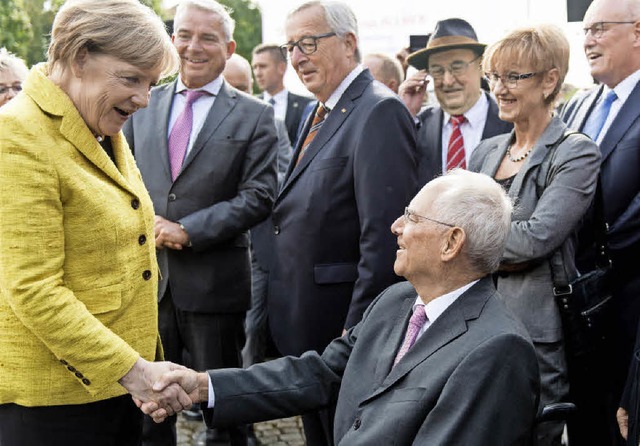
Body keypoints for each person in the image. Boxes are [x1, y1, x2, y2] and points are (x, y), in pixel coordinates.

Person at [142, 169, 541, 446]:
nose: (395, 227)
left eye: (412, 217)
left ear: (451, 243)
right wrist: (201, 386)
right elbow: (319, 373)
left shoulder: (497, 350)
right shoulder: (396, 301)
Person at [0, 1, 193, 445]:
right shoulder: (18, 135)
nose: (144, 98)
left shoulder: (95, 126)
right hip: (57, 406)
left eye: (150, 83)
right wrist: (133, 370)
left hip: (116, 388)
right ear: (79, 56)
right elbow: (33, 288)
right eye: (131, 79)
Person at [123, 1, 278, 445]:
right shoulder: (142, 104)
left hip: (214, 286)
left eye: (207, 37)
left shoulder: (254, 114)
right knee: (150, 410)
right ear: (173, 41)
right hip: (147, 286)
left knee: (222, 411)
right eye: (185, 34)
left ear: (228, 47)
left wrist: (189, 230)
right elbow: (121, 178)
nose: (194, 46)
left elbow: (259, 196)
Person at [270, 1, 418, 443]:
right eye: (290, 46)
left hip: (341, 334)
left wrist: (357, 332)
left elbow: (385, 236)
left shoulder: (377, 112)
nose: (296, 57)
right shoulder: (323, 111)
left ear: (349, 43)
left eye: (309, 43)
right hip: (308, 326)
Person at [469, 24, 601, 445]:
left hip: (535, 334)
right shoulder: (486, 151)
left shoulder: (575, 151)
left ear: (550, 80)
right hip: (474, 326)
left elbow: (536, 239)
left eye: (514, 76)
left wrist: (461, 243)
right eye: (493, 77)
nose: (499, 89)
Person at [559, 1, 640, 443]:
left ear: (638, 32)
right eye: (585, 31)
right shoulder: (579, 106)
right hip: (579, 312)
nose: (587, 41)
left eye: (600, 29)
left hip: (628, 304)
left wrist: (587, 248)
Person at [400, 18, 512, 186]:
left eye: (457, 67)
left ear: (482, 67)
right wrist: (404, 114)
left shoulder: (511, 123)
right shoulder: (417, 125)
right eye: (437, 71)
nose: (448, 80)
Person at [252, 43, 313, 145]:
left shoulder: (306, 107)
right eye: (254, 67)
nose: (257, 73)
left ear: (282, 68)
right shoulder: (250, 106)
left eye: (263, 66)